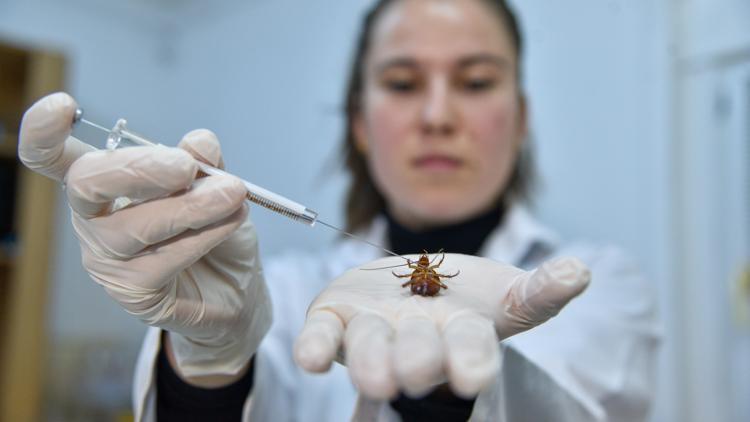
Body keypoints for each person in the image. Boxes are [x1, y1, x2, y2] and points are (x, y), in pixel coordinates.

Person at [18, 0, 659, 420]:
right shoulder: (288, 294)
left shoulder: (596, 284)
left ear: (520, 119)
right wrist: (209, 363)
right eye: (403, 84)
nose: (438, 117)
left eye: (476, 81)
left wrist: (447, 390)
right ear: (359, 122)